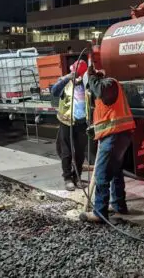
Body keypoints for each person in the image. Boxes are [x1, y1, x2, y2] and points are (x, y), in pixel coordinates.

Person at [80, 67, 135, 223]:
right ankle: (118, 205)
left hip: (115, 135)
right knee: (116, 171)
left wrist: (90, 76)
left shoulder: (109, 84)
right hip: (116, 134)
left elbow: (100, 90)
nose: (90, 91)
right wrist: (95, 128)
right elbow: (107, 114)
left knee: (102, 173)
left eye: (90, 86)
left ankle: (99, 213)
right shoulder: (104, 91)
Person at [51, 60, 88, 191]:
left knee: (80, 152)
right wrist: (66, 78)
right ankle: (67, 178)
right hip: (66, 122)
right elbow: (54, 92)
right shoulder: (65, 83)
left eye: (79, 73)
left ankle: (77, 177)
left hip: (81, 122)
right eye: (75, 72)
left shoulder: (86, 84)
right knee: (66, 152)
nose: (77, 75)